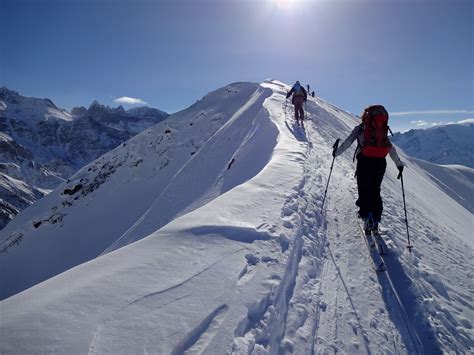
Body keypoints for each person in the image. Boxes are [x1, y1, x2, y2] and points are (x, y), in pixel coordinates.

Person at [332, 104, 404, 232]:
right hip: (380, 163)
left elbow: (348, 142)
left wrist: (336, 153)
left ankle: (366, 216)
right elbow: (390, 148)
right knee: (375, 190)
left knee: (364, 189)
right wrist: (399, 164)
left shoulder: (360, 129)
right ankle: (376, 219)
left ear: (365, 116)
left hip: (365, 161)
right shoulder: (382, 130)